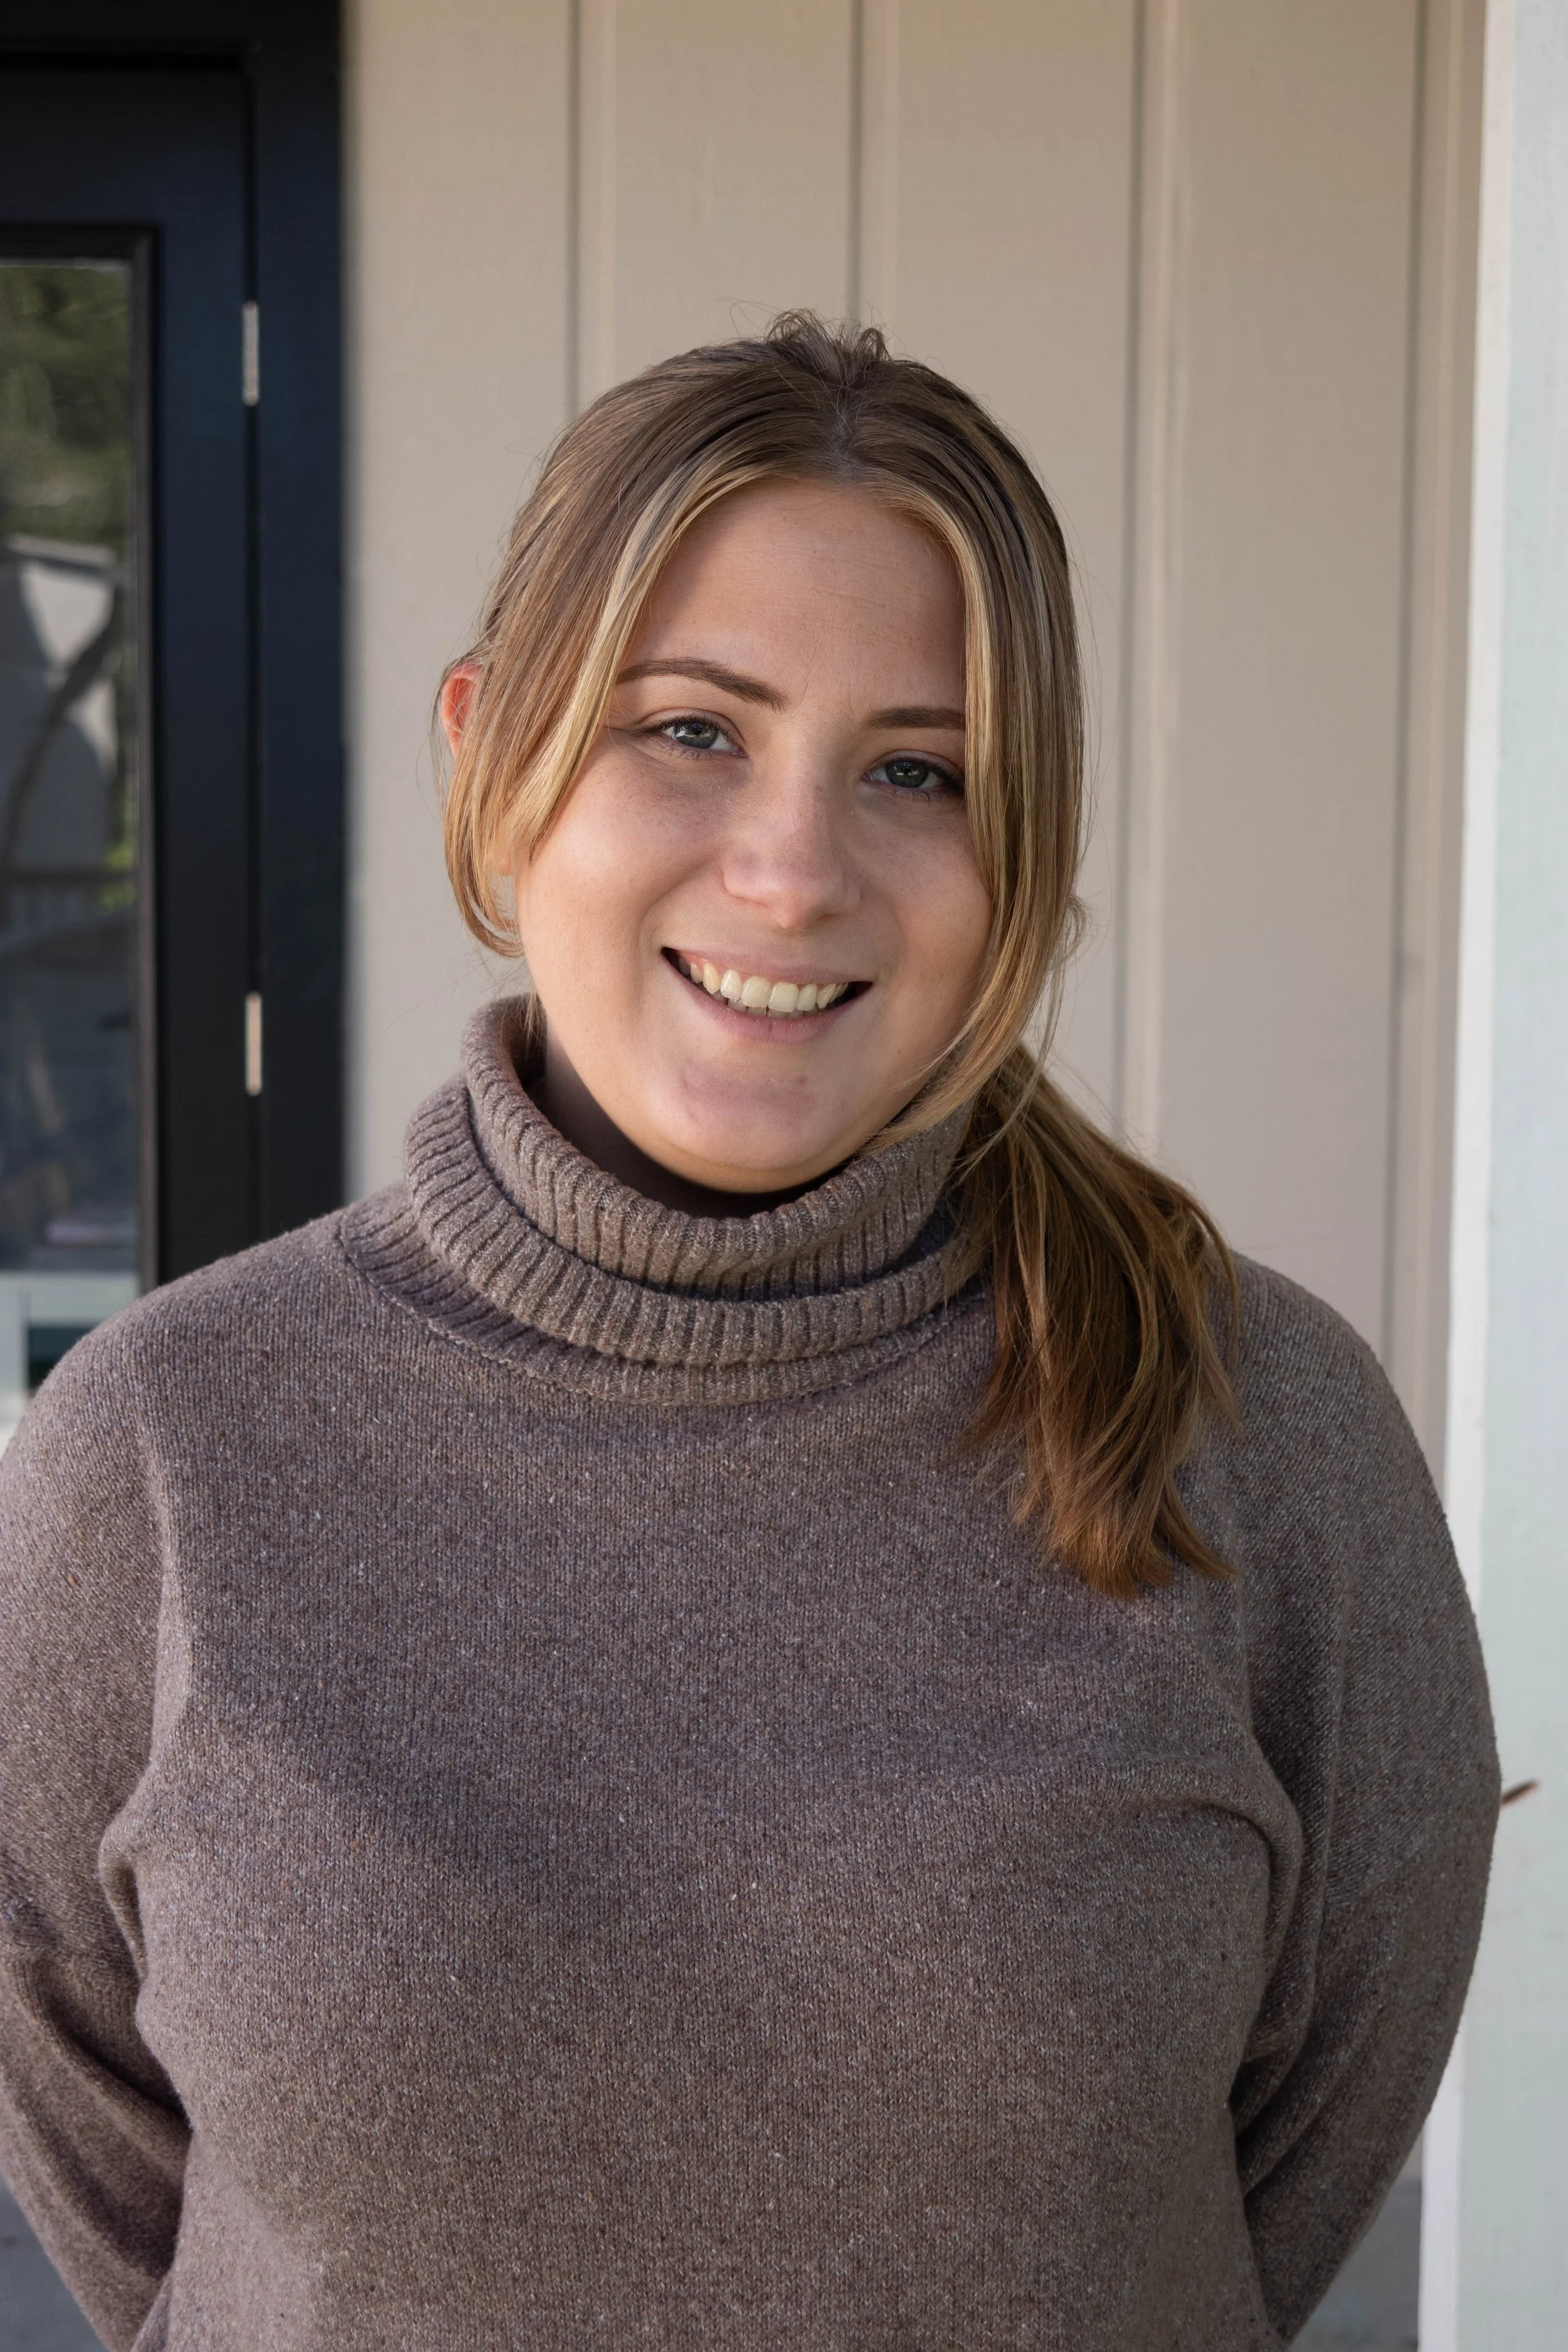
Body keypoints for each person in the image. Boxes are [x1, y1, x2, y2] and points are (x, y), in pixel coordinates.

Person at [0, 315, 1495, 2351]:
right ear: (486, 758)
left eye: (916, 770)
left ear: (1018, 855)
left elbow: (1273, 2178)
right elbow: (141, 2209)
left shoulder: (1253, 1427)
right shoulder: (162, 1447)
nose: (791, 873)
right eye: (688, 729)